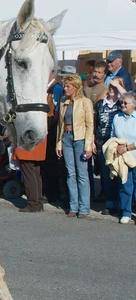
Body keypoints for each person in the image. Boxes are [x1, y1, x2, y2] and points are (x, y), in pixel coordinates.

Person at [56, 74, 94, 218]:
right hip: (66, 137)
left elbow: (90, 125)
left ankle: (84, 207)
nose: (65, 88)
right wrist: (58, 144)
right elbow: (60, 125)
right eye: (64, 86)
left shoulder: (85, 102)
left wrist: (88, 145)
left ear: (76, 87)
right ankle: (73, 206)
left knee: (82, 174)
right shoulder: (63, 102)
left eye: (68, 86)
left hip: (80, 139)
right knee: (70, 173)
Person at [93, 77, 123, 215]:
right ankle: (110, 203)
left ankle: (122, 204)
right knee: (106, 176)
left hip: (118, 144)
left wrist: (119, 87)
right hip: (102, 144)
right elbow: (94, 124)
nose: (112, 88)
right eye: (110, 86)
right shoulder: (100, 104)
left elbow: (130, 98)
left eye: (115, 87)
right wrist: (92, 140)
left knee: (120, 175)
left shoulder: (122, 103)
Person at [110, 91, 136, 224]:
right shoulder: (117, 117)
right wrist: (116, 148)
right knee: (125, 185)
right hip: (122, 157)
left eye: (126, 103)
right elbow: (112, 136)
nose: (123, 105)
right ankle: (126, 211)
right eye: (122, 102)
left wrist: (126, 148)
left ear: (134, 105)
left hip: (134, 154)